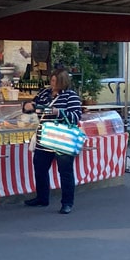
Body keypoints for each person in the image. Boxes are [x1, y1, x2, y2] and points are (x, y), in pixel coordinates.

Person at [22, 69, 83, 214]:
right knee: (40, 168)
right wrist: (27, 106)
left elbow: (76, 116)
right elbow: (33, 107)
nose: (52, 83)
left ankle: (67, 203)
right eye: (51, 80)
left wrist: (58, 112)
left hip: (62, 138)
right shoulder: (44, 93)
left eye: (55, 81)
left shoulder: (71, 96)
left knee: (65, 172)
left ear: (62, 82)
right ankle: (42, 198)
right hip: (44, 137)